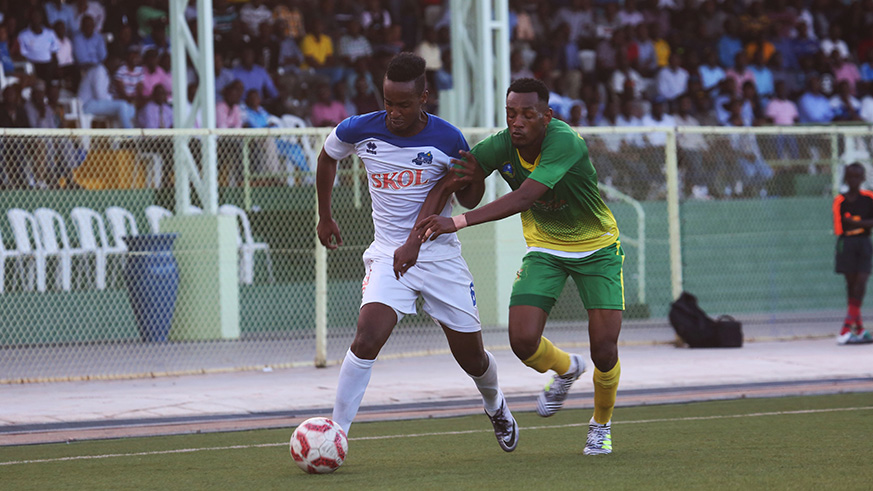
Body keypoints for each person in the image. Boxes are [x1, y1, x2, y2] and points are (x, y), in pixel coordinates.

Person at [315, 52, 518, 452]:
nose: (393, 112)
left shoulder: (448, 137)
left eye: (403, 104)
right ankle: (335, 434)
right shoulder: (359, 129)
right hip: (389, 253)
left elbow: (470, 197)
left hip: (440, 256)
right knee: (366, 338)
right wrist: (325, 216)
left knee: (472, 358)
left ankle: (495, 404)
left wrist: (469, 177)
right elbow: (327, 158)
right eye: (388, 102)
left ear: (424, 97)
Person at [416, 78, 624, 455]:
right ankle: (566, 369)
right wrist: (452, 191)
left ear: (547, 116)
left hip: (597, 249)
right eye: (512, 113)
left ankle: (600, 424)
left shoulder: (565, 142)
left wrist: (456, 222)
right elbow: (464, 176)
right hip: (545, 248)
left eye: (528, 114)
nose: (518, 122)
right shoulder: (502, 144)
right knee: (522, 341)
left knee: (605, 350)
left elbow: (525, 196)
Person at [832, 162, 873, 345]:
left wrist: (855, 222)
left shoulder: (869, 198)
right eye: (850, 176)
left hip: (864, 243)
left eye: (858, 176)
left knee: (861, 283)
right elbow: (840, 226)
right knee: (851, 285)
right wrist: (861, 222)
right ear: (846, 178)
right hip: (847, 243)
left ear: (863, 178)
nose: (854, 180)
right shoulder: (840, 201)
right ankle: (860, 329)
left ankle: (846, 327)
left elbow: (867, 223)